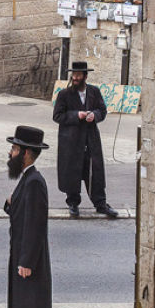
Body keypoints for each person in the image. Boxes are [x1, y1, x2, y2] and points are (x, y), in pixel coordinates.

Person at [0, 125, 52, 308]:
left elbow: (35, 225)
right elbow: (22, 213)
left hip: (31, 257)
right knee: (22, 301)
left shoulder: (35, 183)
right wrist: (11, 203)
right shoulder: (27, 180)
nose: (10, 153)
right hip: (20, 253)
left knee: (32, 304)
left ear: (27, 154)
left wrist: (27, 262)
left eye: (15, 149)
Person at [51, 61, 117, 218]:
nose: (75, 78)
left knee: (95, 172)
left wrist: (94, 116)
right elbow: (57, 116)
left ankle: (100, 204)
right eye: (73, 75)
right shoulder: (64, 94)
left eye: (78, 75)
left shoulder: (94, 91)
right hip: (71, 142)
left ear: (85, 76)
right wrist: (76, 115)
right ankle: (73, 203)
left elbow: (102, 110)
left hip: (90, 140)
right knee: (72, 172)